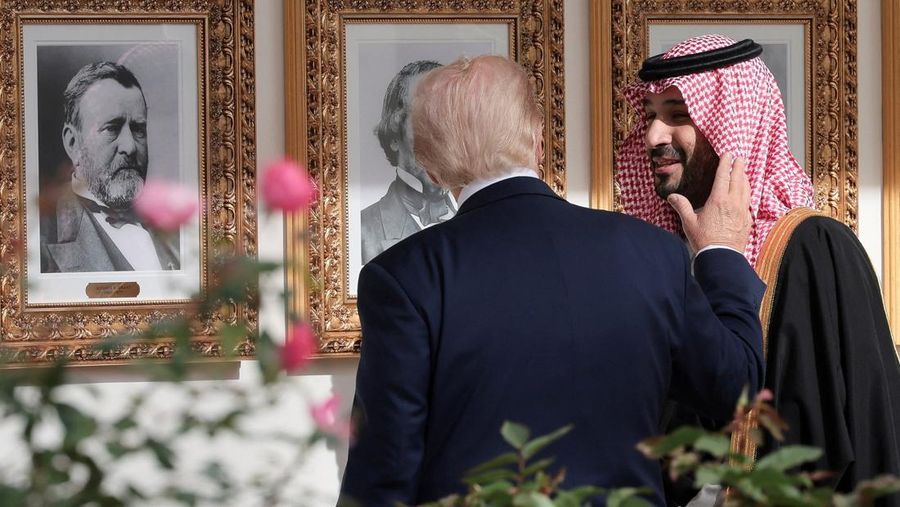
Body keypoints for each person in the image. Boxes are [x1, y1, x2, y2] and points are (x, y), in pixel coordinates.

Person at [340, 54, 765, 505]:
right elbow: (737, 393)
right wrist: (722, 251)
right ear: (539, 140)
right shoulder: (654, 253)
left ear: (431, 167)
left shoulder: (403, 276)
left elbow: (383, 476)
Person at [616, 34, 900, 504]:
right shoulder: (657, 259)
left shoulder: (812, 247)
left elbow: (850, 434)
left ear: (733, 127)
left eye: (678, 114)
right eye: (649, 116)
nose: (653, 137)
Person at [40, 61, 179, 273]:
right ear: (73, 143)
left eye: (138, 129)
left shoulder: (179, 231)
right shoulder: (38, 236)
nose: (130, 147)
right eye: (112, 128)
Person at [361, 60, 457, 264]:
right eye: (425, 117)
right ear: (394, 136)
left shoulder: (479, 223)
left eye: (447, 117)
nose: (440, 131)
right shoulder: (363, 229)